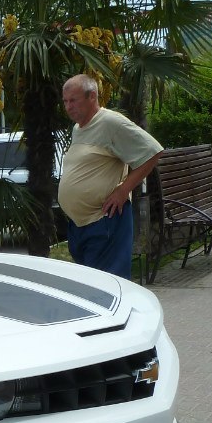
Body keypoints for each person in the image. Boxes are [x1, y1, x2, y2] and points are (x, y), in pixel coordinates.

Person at [57, 74, 163, 280]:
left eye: (73, 100)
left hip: (104, 222)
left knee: (106, 289)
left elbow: (153, 151)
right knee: (90, 288)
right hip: (79, 226)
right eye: (65, 101)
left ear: (92, 97)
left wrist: (124, 189)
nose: (68, 107)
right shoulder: (78, 129)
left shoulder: (111, 123)